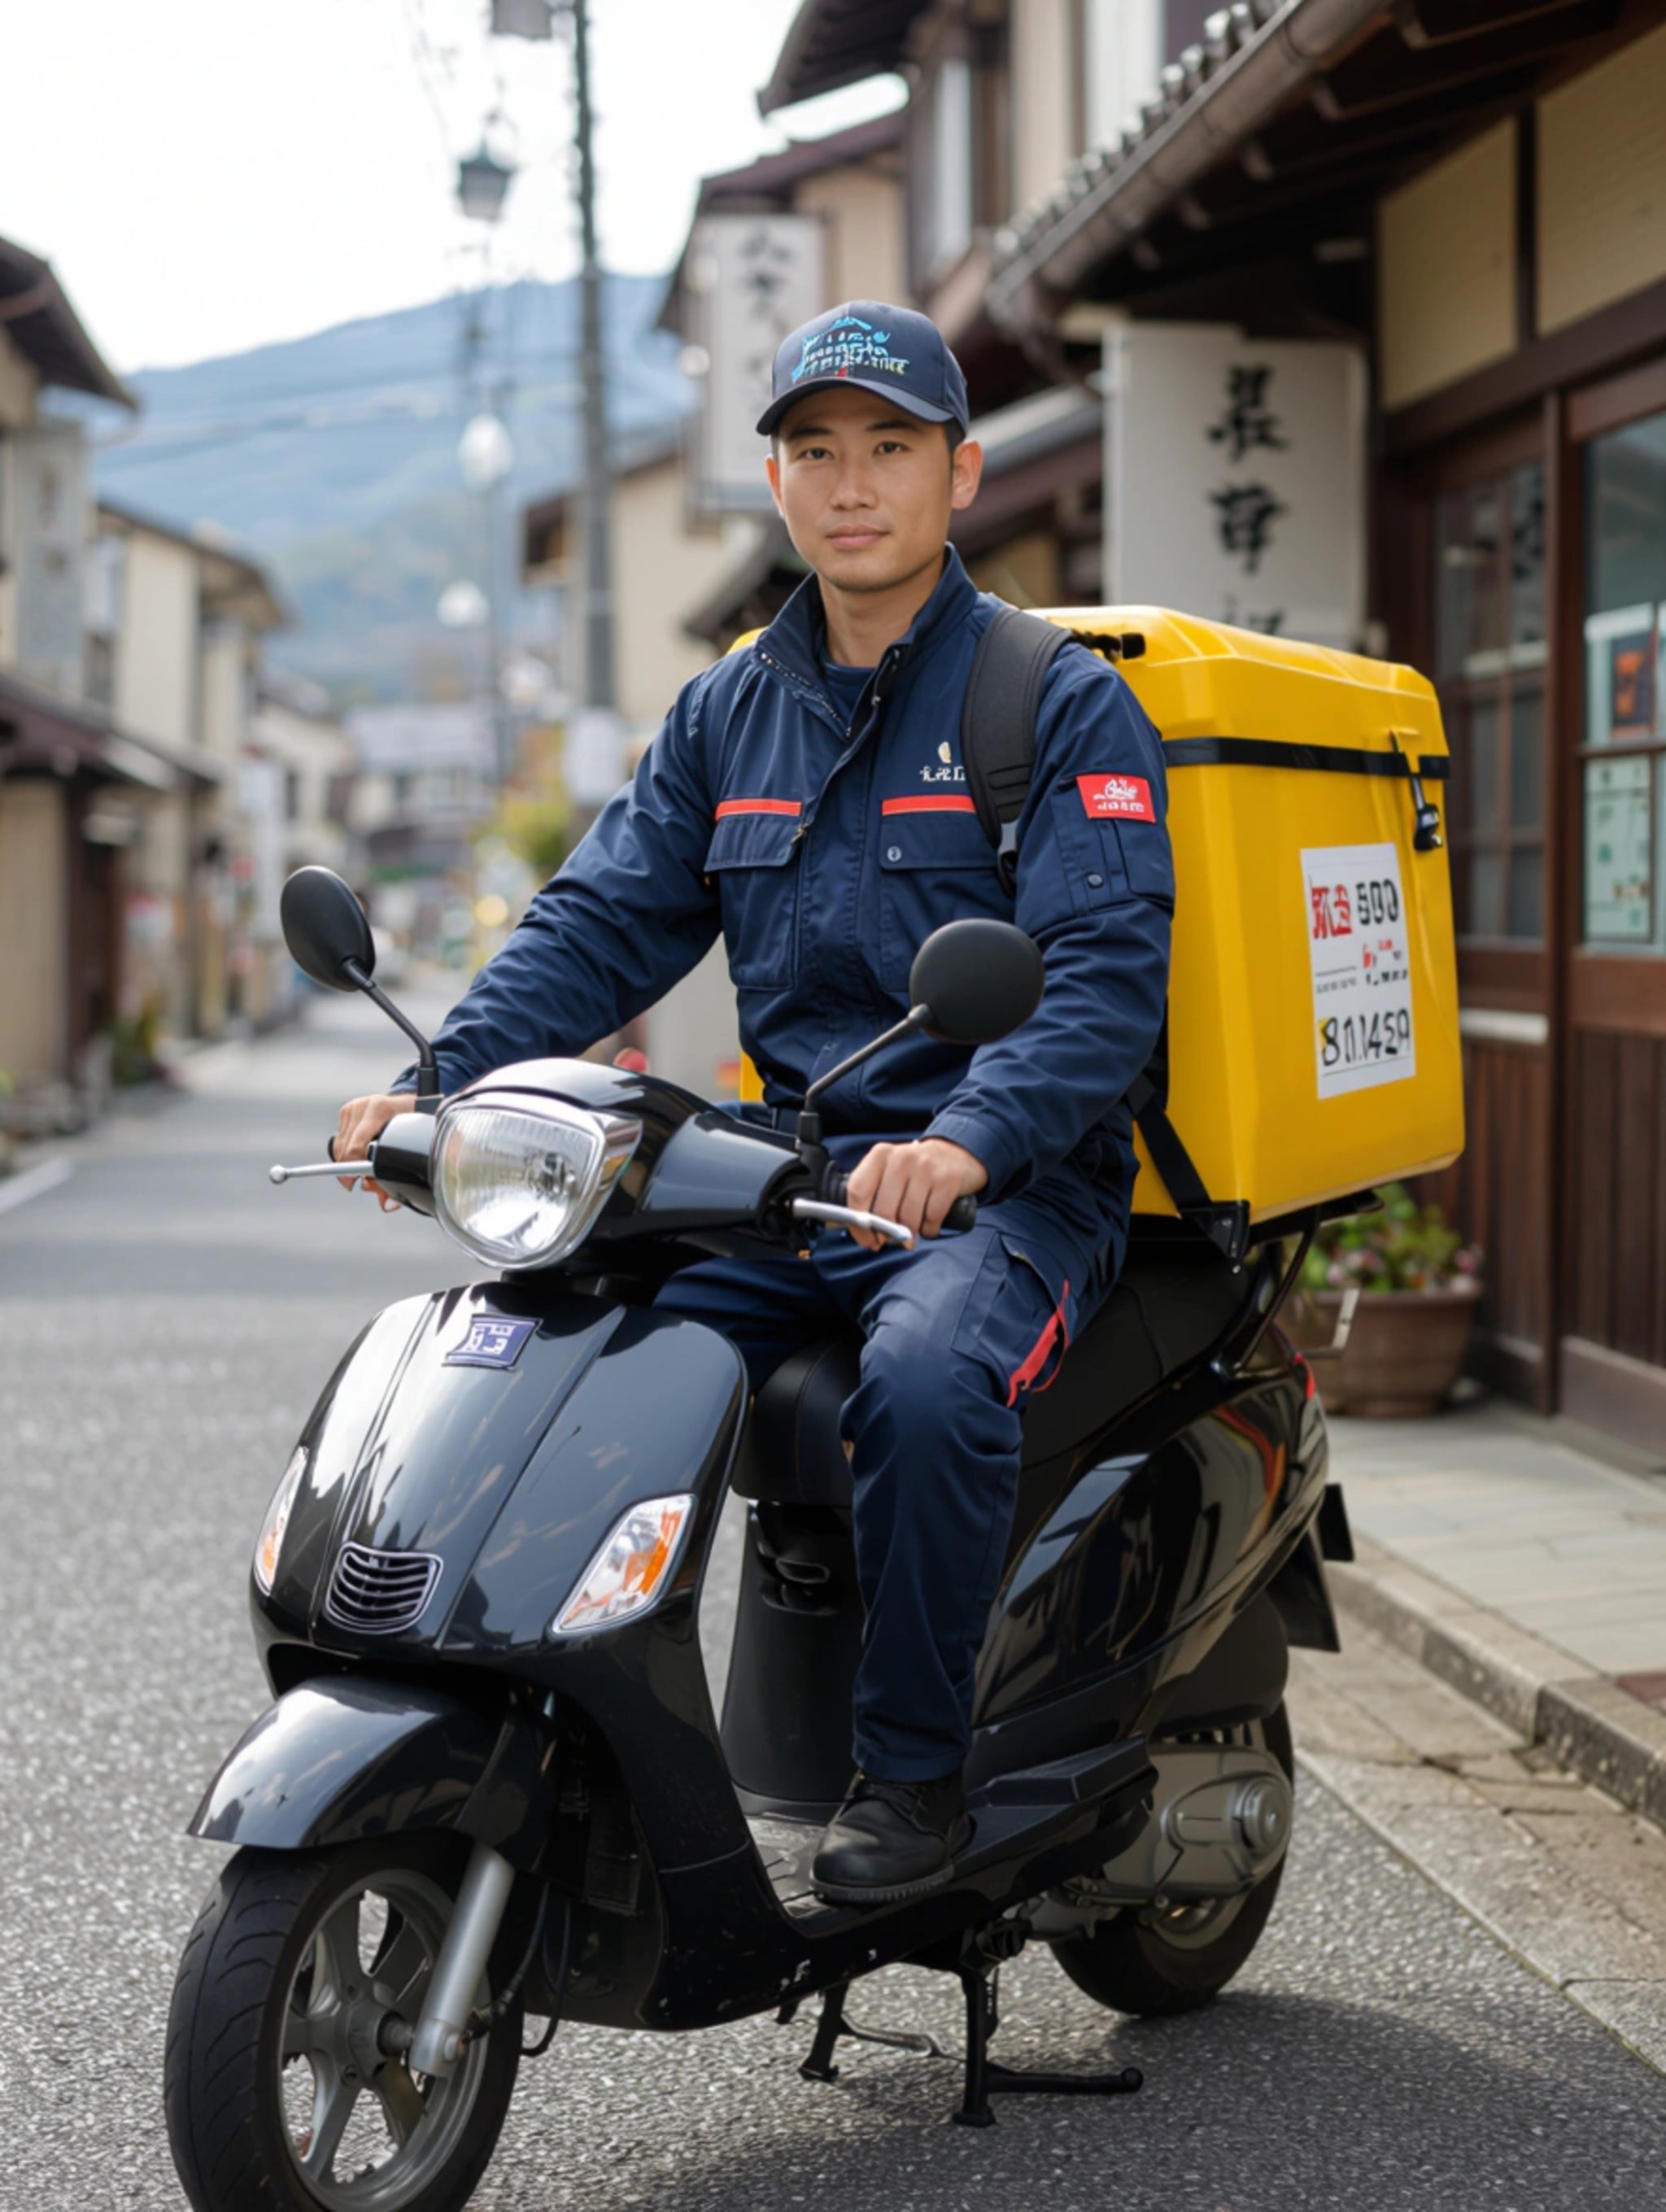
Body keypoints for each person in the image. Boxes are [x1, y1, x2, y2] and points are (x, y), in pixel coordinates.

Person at [336, 301, 1172, 1904]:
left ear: (961, 470)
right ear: (774, 481)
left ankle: (913, 1779)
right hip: (793, 1177)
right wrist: (432, 1087)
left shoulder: (1050, 701)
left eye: (889, 448)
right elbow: (595, 924)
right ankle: (563, 1733)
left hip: (1005, 1185)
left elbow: (1098, 981)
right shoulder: (729, 713)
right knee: (563, 1330)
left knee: (929, 1383)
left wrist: (969, 1139)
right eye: (813, 451)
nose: (850, 485)